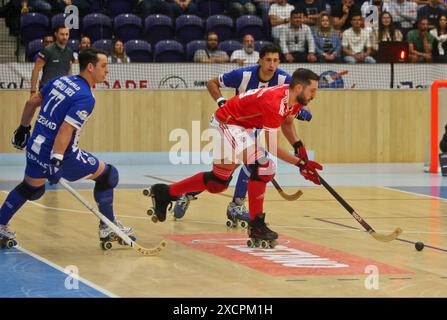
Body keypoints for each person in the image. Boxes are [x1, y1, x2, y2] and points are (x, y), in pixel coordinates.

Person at [147, 68, 323, 248]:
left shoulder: (296, 99)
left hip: (240, 126)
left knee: (217, 182)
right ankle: (257, 225)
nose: (314, 96)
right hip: (227, 123)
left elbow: (287, 123)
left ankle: (165, 193)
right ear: (299, 88)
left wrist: (298, 148)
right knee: (263, 166)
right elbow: (272, 147)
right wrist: (301, 164)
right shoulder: (275, 102)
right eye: (313, 91)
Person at [0, 48, 134, 249]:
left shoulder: (60, 80)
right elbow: (66, 128)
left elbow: (32, 101)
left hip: (35, 147)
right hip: (63, 156)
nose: (107, 71)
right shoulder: (86, 98)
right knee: (109, 176)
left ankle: (0, 224)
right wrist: (56, 160)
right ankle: (108, 226)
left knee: (30, 188)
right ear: (90, 67)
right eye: (104, 66)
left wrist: (23, 129)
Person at [173, 44, 313, 224]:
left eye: (276, 60)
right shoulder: (243, 74)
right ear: (259, 60)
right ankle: (197, 195)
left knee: (242, 167)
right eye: (268, 60)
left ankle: (232, 203)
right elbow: (212, 83)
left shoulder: (285, 79)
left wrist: (299, 112)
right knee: (233, 169)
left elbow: (293, 103)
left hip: (258, 126)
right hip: (235, 124)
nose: (272, 64)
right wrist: (221, 101)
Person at [30, 26, 74, 98]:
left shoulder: (69, 51)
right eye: (62, 34)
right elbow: (35, 70)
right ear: (56, 34)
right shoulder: (47, 50)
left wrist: (70, 87)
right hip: (48, 89)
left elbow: (69, 70)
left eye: (67, 34)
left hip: (63, 90)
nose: (65, 37)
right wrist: (33, 91)